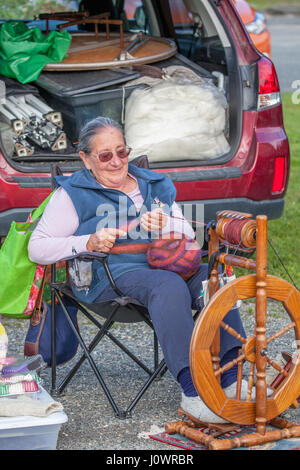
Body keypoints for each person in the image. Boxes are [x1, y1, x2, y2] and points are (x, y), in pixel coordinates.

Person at [28, 116, 247, 423]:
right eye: (105, 156)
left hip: (165, 263)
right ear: (86, 159)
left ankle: (232, 377)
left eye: (122, 152)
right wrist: (87, 241)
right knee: (167, 285)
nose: (116, 162)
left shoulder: (154, 184)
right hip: (108, 277)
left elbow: (189, 233)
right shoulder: (72, 194)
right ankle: (194, 392)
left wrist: (166, 224)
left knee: (216, 277)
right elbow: (36, 247)